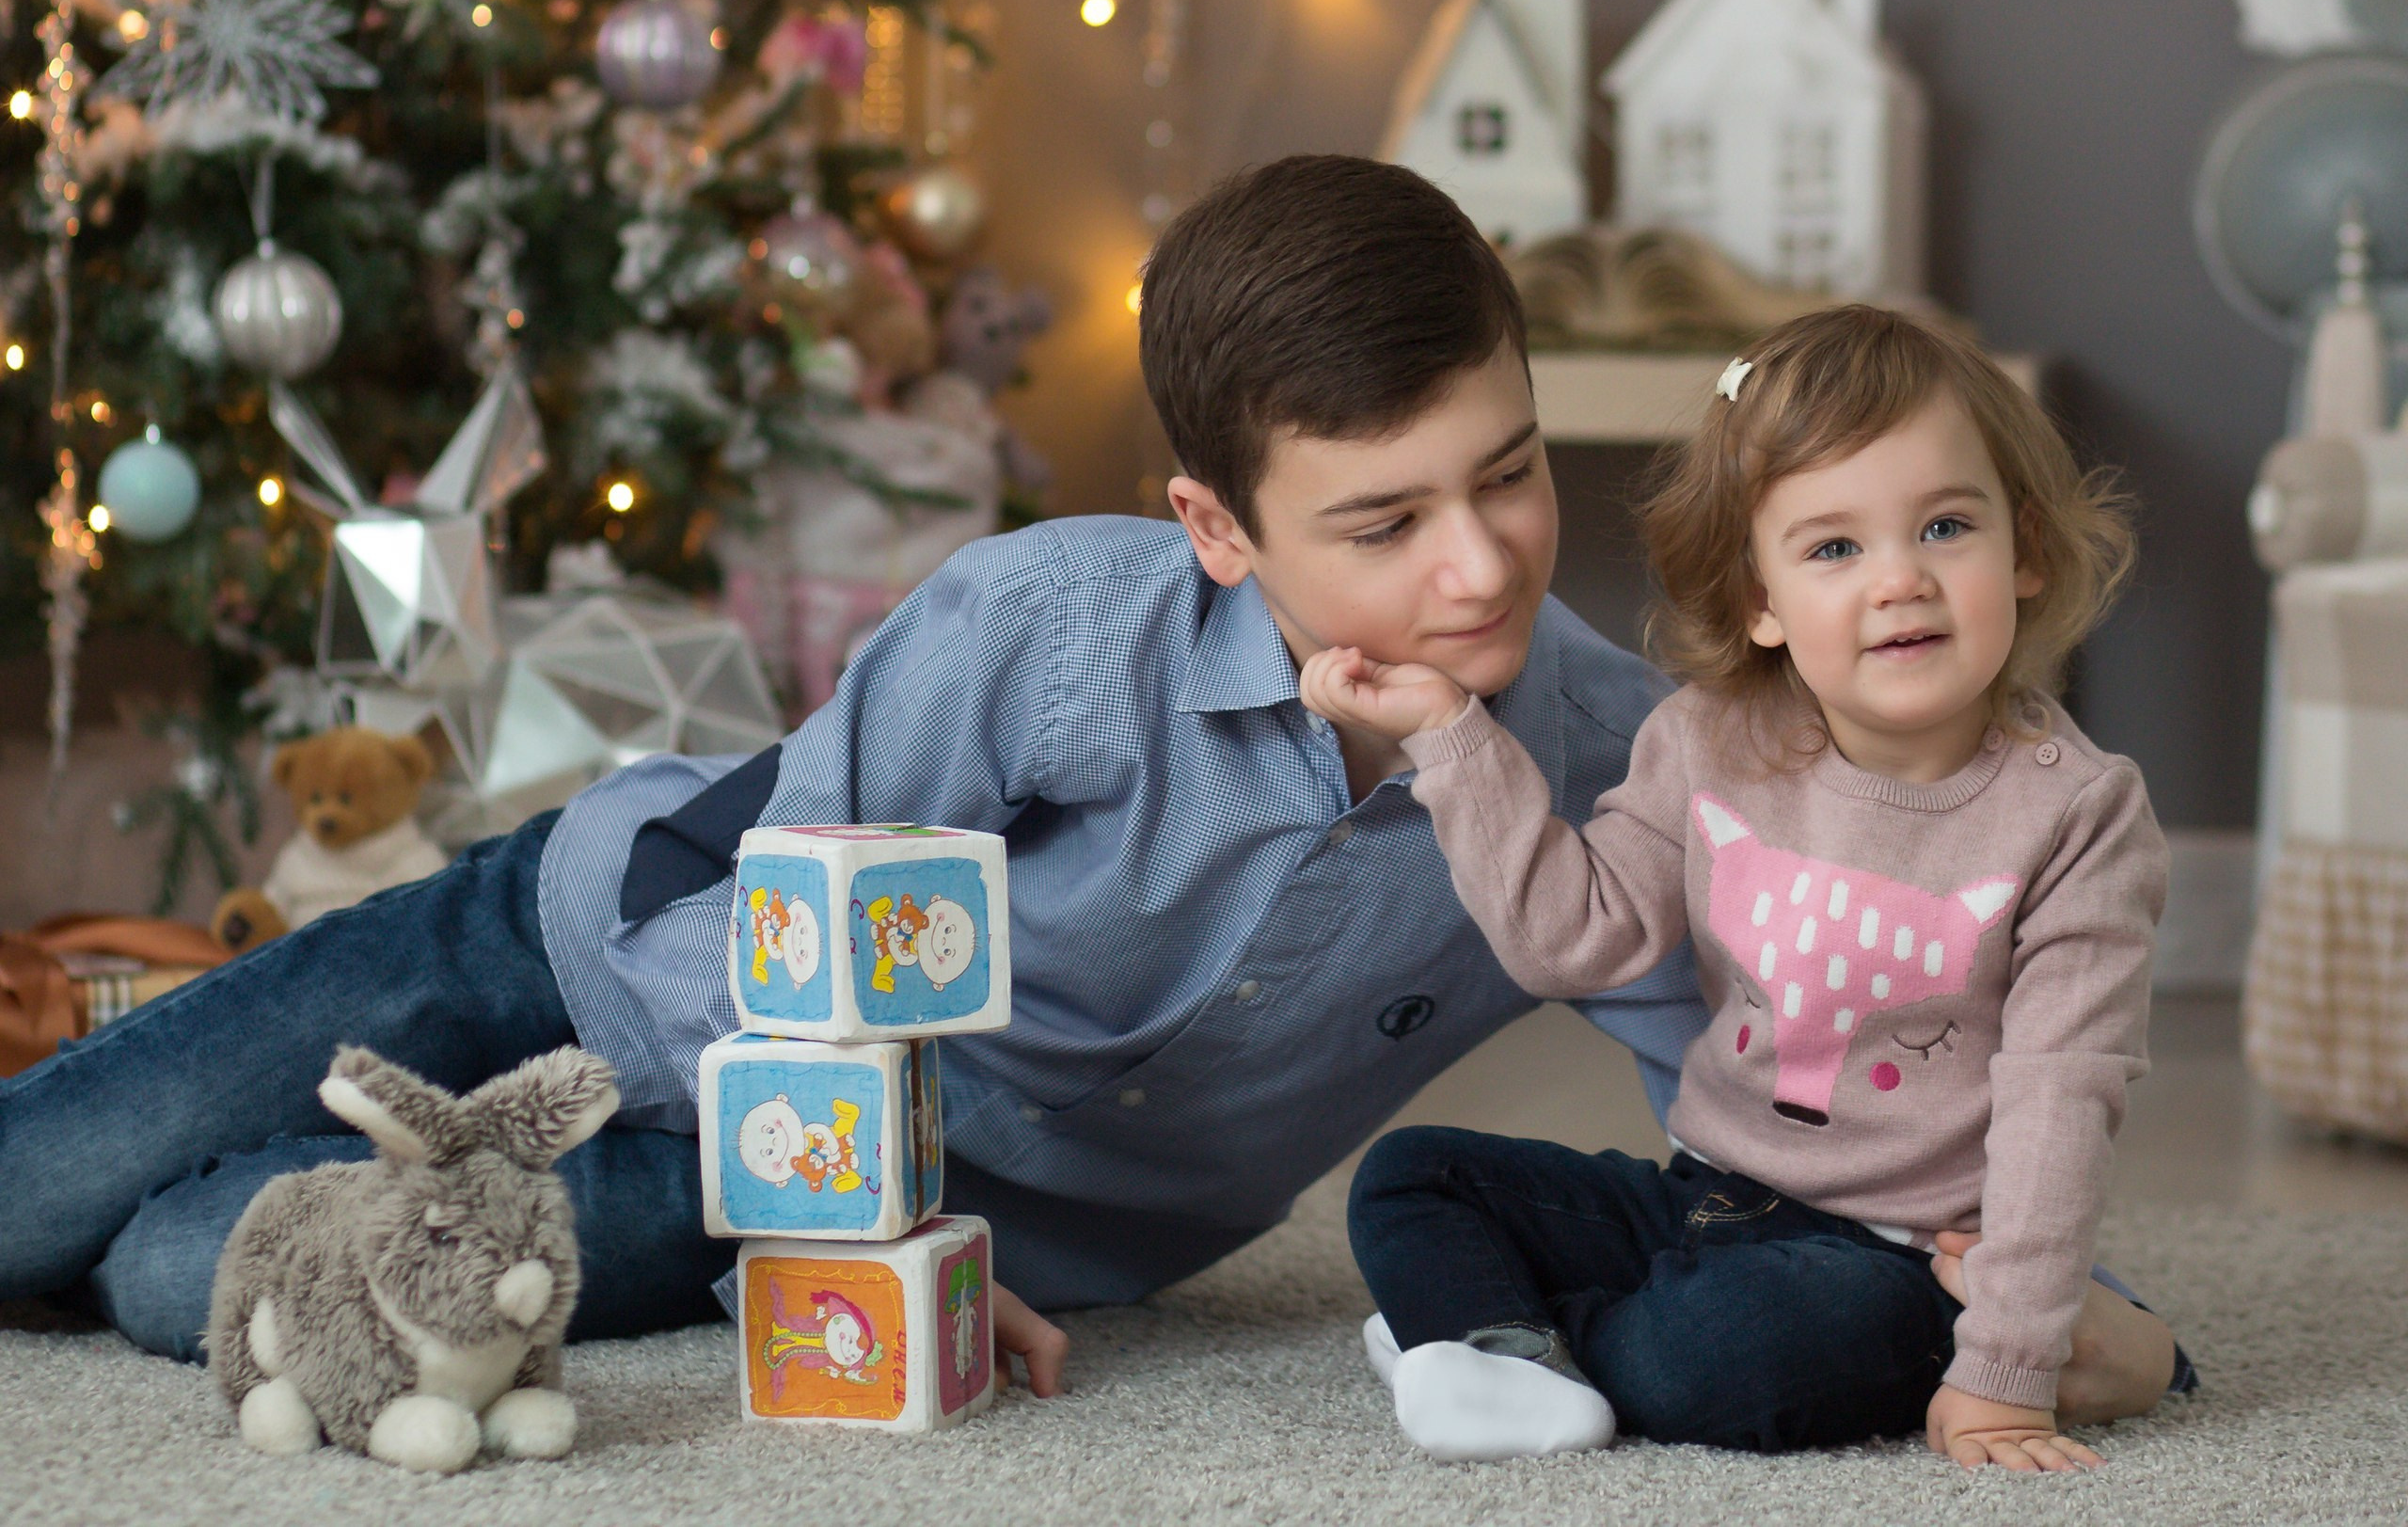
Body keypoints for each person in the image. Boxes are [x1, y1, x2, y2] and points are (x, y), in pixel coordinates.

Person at [0, 161, 2172, 1422]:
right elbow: (796, 884)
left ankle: (293, 1156)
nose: (1477, 562)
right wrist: (843, 1189)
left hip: (885, 1204)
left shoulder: (1612, 751)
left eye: (1505, 475)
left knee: (186, 1263)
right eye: (1383, 517)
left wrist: (1980, 1242)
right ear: (1219, 526)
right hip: (594, 944)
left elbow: (1752, 1062)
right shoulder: (1058, 629)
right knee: (45, 1176)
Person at [1305, 304, 2184, 1470]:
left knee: (1721, 1358)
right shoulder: (1706, 741)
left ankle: (1482, 1340)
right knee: (1415, 1178)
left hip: (1902, 1256)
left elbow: (2058, 1104)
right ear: (1760, 598)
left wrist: (2007, 1370)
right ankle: (1504, 1351)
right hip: (1707, 1194)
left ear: (2021, 550)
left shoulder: (2077, 811)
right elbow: (1574, 941)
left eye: (1944, 527)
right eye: (1833, 548)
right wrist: (1448, 737)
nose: (1900, 582)